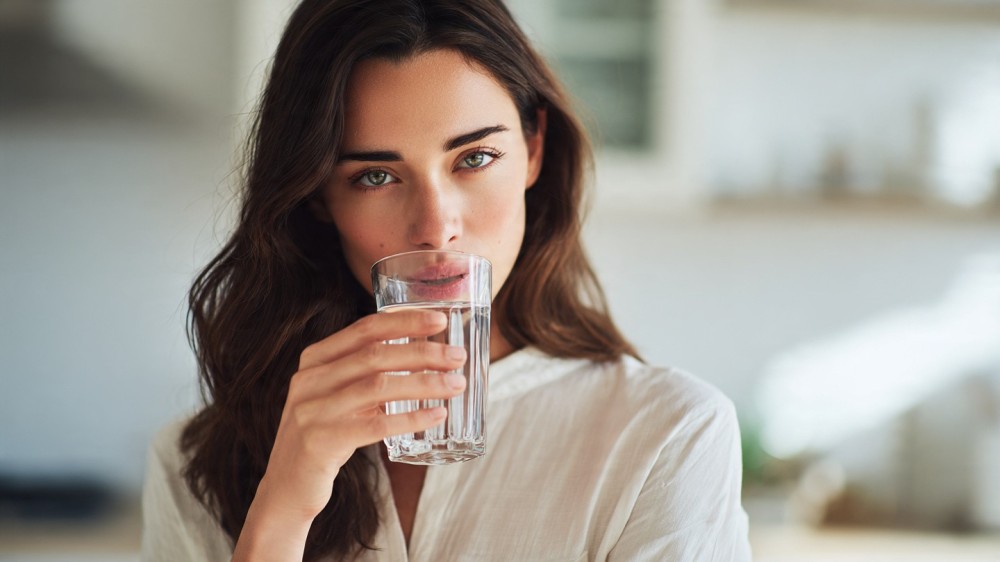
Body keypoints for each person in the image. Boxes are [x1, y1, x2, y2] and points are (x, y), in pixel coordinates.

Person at [140, 0, 752, 560]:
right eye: (375, 176)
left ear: (534, 149)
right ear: (320, 197)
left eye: (475, 158)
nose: (435, 227)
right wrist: (282, 509)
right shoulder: (194, 460)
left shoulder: (668, 436)